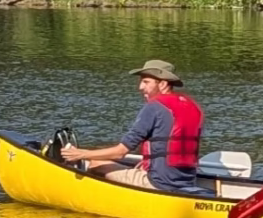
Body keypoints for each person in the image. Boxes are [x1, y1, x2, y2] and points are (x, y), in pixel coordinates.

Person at [60, 59, 205, 192]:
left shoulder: (154, 107)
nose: (140, 87)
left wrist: (81, 154)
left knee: (95, 163)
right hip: (187, 181)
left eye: (146, 82)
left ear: (162, 84)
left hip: (158, 183)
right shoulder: (193, 106)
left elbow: (120, 152)